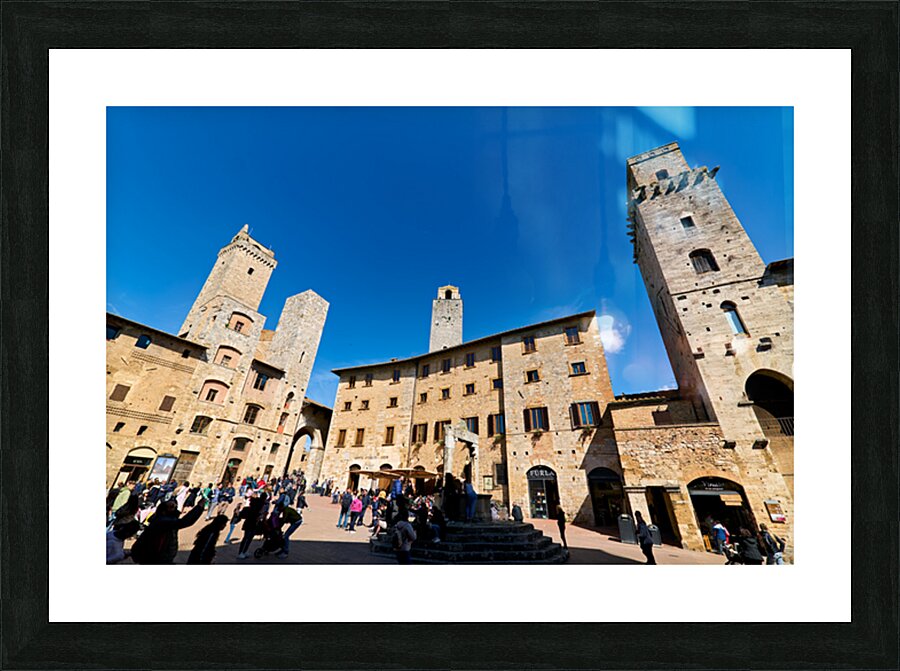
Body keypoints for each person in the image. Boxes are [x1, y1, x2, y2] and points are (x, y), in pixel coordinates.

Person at [130, 500, 205, 564]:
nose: (174, 508)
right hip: (156, 557)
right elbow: (184, 522)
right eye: (171, 507)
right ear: (164, 510)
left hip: (161, 556)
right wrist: (199, 507)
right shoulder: (162, 521)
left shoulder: (167, 519)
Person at [237, 493, 266, 560]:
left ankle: (245, 551)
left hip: (253, 525)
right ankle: (241, 552)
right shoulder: (251, 510)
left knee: (249, 539)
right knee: (246, 538)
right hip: (249, 524)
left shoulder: (255, 510)